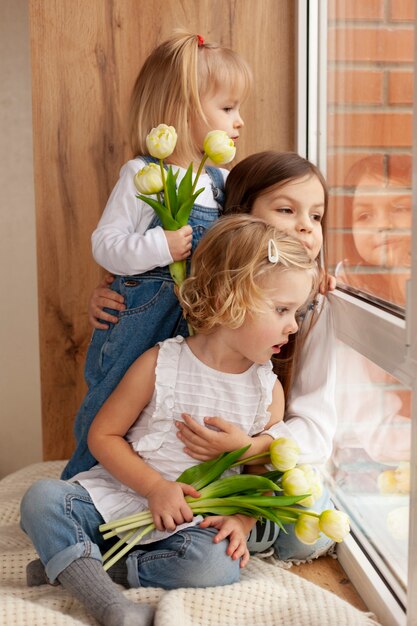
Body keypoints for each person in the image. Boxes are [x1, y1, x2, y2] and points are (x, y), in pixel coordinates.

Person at [21, 215, 319, 626]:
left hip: (189, 527)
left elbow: (258, 474)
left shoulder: (267, 390)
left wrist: (241, 520)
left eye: (298, 311)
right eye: (283, 309)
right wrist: (155, 488)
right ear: (225, 300)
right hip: (123, 500)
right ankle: (110, 604)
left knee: (216, 565)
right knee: (43, 499)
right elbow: (103, 435)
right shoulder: (162, 361)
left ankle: (80, 569)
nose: (293, 325)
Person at [89, 151, 338, 563]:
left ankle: (230, 535)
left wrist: (249, 454)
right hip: (188, 462)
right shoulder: (204, 281)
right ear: (238, 216)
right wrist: (107, 297)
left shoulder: (319, 304)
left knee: (304, 534)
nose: (305, 227)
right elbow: (139, 296)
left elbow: (311, 430)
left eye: (317, 217)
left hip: (262, 453)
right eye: (286, 210)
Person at [61, 30, 252, 480]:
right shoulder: (142, 174)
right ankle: (79, 495)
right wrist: (159, 247)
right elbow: (105, 244)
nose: (239, 121)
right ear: (184, 111)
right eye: (228, 108)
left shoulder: (223, 184)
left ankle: (153, 491)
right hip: (140, 323)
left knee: (172, 414)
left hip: (197, 328)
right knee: (110, 404)